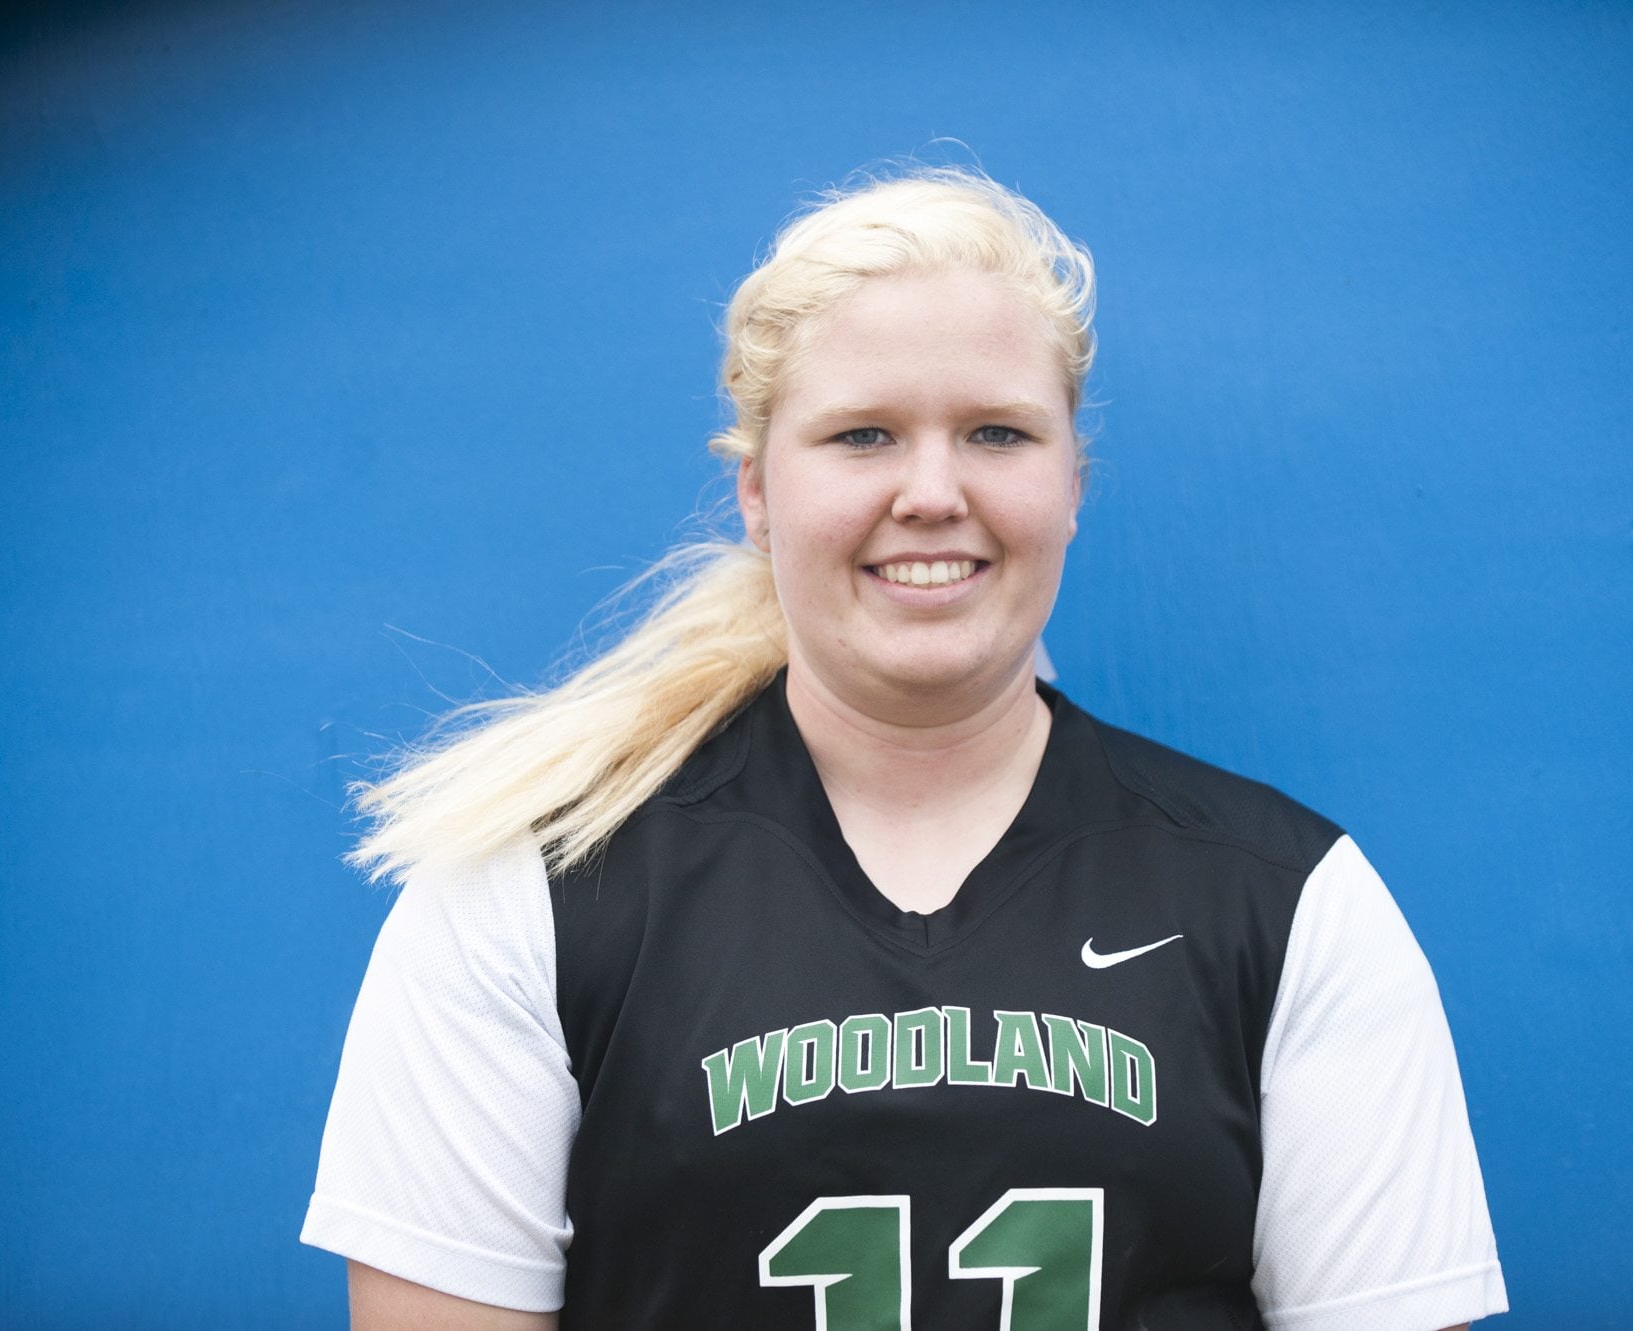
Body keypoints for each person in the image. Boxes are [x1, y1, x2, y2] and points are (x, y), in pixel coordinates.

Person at [302, 166, 1508, 1331]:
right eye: (862, 435)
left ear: (1072, 482)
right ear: (756, 493)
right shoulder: (526, 896)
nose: (932, 491)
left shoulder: (1289, 901)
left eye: (995, 433)